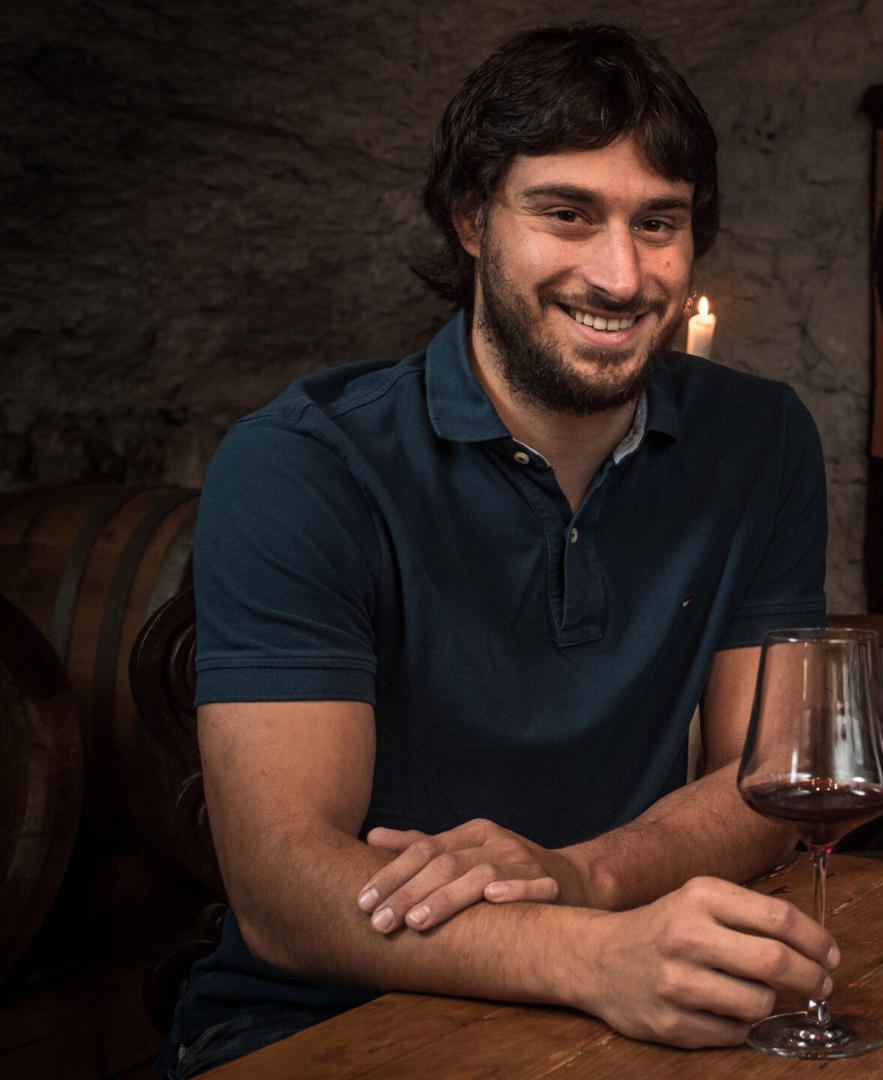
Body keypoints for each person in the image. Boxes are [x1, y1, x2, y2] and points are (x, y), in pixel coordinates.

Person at [164, 25, 839, 1078]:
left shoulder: (763, 439)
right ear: (472, 218)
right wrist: (589, 953)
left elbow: (769, 781)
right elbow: (282, 892)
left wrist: (583, 883)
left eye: (658, 223)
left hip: (619, 1003)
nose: (621, 275)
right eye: (568, 214)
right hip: (317, 1022)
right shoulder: (300, 464)